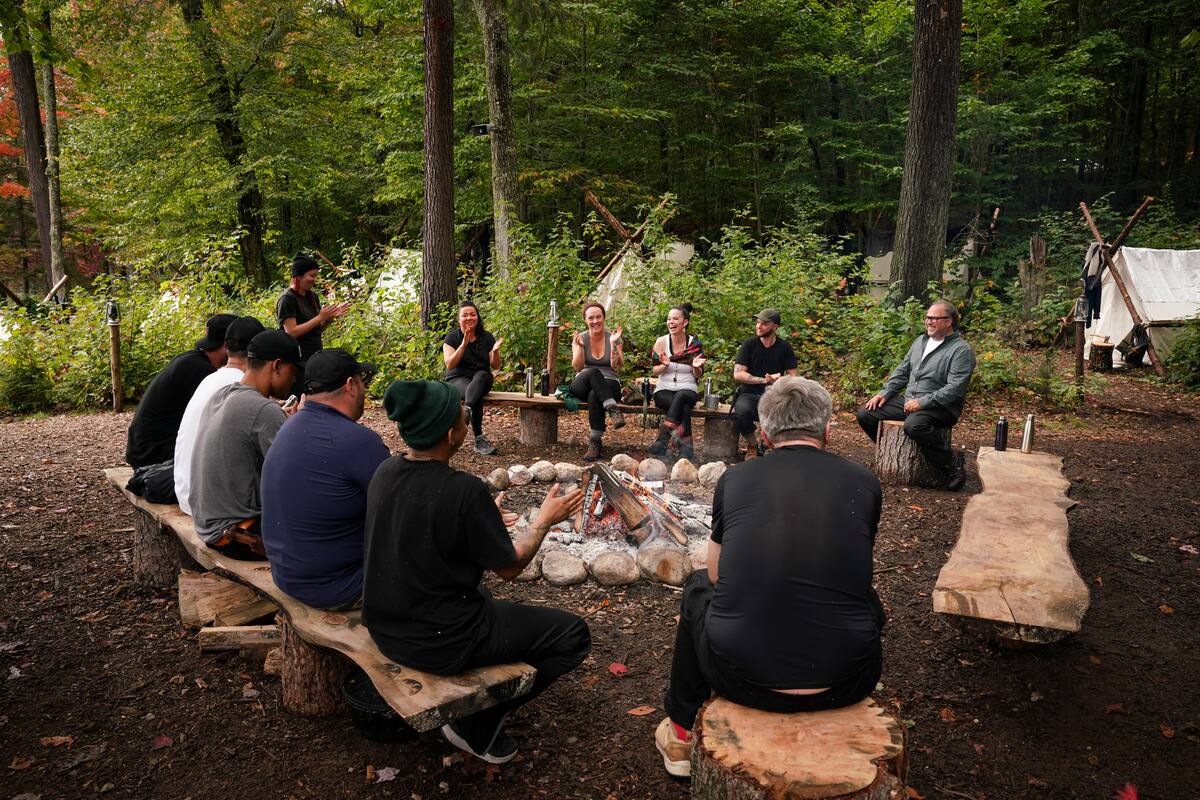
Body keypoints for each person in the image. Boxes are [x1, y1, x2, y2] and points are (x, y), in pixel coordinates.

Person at [655, 376, 886, 777]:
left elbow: (715, 573)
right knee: (862, 596)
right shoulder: (864, 481)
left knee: (697, 587)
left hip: (741, 678)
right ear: (827, 430)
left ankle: (680, 734)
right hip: (850, 678)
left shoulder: (736, 479)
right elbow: (856, 568)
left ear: (763, 433)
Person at [364, 380, 589, 764]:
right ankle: (476, 726)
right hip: (441, 642)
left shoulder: (386, 471)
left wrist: (480, 522)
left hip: (385, 627)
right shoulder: (463, 490)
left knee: (487, 601)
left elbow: (427, 531)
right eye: (464, 418)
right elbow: (511, 567)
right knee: (573, 635)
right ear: (452, 433)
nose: (467, 423)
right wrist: (544, 521)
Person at [260, 349, 389, 609]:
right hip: (339, 587)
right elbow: (405, 508)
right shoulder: (357, 441)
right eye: (362, 381)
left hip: (287, 575)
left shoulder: (289, 425)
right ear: (351, 385)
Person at [189, 330, 302, 560]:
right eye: (294, 370)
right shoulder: (264, 410)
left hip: (208, 526)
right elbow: (296, 481)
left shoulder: (222, 394)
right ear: (277, 366)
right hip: (240, 536)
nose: (295, 379)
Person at [856, 299, 975, 490]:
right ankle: (891, 453)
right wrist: (884, 393)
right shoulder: (920, 341)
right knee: (866, 414)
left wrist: (923, 402)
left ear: (950, 321)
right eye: (928, 317)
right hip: (911, 401)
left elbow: (955, 388)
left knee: (914, 425)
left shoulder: (961, 350)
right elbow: (902, 372)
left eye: (935, 318)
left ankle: (952, 464)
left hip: (943, 407)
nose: (929, 322)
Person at [174, 316, 266, 515]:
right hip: (210, 507)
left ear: (226, 346)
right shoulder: (241, 385)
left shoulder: (210, 379)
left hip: (184, 493)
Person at [125, 313, 237, 468]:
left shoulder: (192, 360)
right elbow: (221, 419)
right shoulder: (200, 371)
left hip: (142, 449)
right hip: (152, 456)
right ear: (227, 345)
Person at [276, 252, 349, 397]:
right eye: (312, 276)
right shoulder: (287, 299)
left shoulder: (312, 297)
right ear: (298, 277)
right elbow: (291, 332)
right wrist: (319, 317)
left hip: (314, 358)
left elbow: (316, 330)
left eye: (316, 276)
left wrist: (328, 319)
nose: (315, 280)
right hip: (297, 362)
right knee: (298, 398)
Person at [731, 308, 797, 459]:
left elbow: (793, 377)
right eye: (758, 322)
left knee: (787, 412)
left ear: (775, 326)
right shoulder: (749, 344)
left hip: (775, 394)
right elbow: (738, 374)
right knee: (741, 411)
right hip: (749, 392)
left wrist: (780, 380)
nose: (758, 326)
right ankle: (752, 445)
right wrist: (763, 380)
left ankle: (766, 445)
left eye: (764, 324)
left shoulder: (784, 347)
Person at [647, 303, 706, 463]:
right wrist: (664, 365)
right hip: (664, 389)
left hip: (688, 389)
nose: (670, 322)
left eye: (675, 319)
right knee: (683, 408)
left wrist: (695, 367)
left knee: (681, 397)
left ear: (685, 322)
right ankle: (686, 451)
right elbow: (654, 371)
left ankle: (663, 440)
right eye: (669, 319)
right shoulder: (661, 342)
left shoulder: (694, 344)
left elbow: (699, 374)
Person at [442, 301, 503, 455]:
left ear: (477, 317)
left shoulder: (487, 337)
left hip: (482, 379)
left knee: (481, 375)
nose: (469, 317)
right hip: (458, 379)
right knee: (474, 394)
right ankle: (479, 439)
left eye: (472, 314)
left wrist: (495, 352)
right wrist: (463, 345)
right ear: (459, 319)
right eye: (465, 315)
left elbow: (495, 366)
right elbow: (450, 365)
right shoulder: (451, 338)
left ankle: (467, 411)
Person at [570, 302, 625, 461]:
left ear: (604, 318)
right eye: (591, 318)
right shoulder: (580, 338)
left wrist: (614, 344)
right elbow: (578, 367)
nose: (595, 321)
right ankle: (612, 408)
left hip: (609, 382)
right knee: (592, 372)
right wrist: (580, 348)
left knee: (595, 395)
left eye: (598, 317)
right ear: (586, 320)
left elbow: (617, 366)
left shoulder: (614, 337)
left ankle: (595, 442)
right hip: (583, 383)